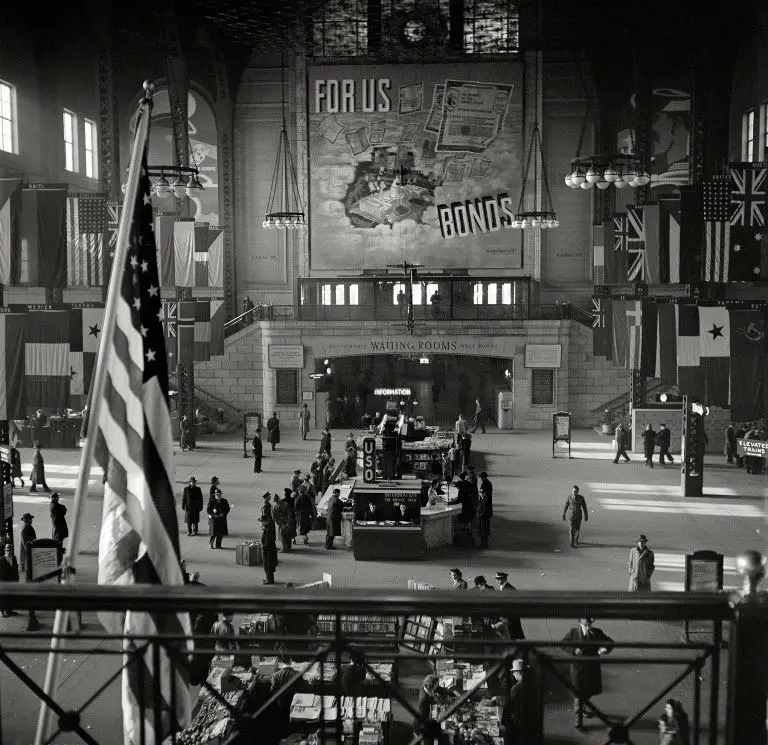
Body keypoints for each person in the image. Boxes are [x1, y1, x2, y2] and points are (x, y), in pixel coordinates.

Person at [560, 617, 613, 729]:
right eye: (586, 626)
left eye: (590, 625)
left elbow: (610, 642)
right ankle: (578, 720)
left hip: (592, 668)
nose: (589, 627)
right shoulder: (573, 632)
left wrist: (604, 648)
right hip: (578, 669)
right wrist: (573, 651)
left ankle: (581, 707)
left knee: (589, 691)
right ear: (580, 623)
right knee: (579, 693)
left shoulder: (597, 632)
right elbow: (563, 644)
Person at [19, 513, 40, 631]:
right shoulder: (24, 530)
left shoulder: (29, 528)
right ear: (26, 520)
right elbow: (26, 546)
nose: (32, 520)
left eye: (31, 518)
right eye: (30, 518)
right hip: (28, 556)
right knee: (28, 576)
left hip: (31, 554)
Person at [494, 571, 525, 641]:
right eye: (496, 579)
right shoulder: (504, 587)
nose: (497, 581)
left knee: (509, 636)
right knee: (509, 636)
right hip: (506, 617)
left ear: (505, 579)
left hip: (509, 618)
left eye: (499, 579)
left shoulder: (509, 589)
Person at [0, 543, 20, 617]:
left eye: (10, 550)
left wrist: (17, 580)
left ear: (12, 551)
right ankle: (2, 612)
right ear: (5, 551)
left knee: (11, 596)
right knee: (3, 597)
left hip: (13, 581)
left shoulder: (14, 558)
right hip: (4, 582)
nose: (8, 552)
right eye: (7, 551)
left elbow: (16, 570)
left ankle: (10, 611)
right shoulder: (1, 560)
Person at [261, 510, 278, 585]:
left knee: (268, 566)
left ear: (266, 521)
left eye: (262, 522)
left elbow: (267, 541)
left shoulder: (268, 530)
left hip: (269, 551)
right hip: (270, 550)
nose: (261, 523)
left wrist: (263, 548)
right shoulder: (268, 527)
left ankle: (270, 580)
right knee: (268, 565)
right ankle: (269, 578)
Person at [478, 471, 493, 549]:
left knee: (483, 527)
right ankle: (484, 544)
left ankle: (483, 544)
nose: (481, 478)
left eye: (481, 477)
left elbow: (484, 497)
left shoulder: (485, 484)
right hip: (487, 509)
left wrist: (480, 507)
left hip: (485, 509)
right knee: (485, 527)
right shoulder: (488, 483)